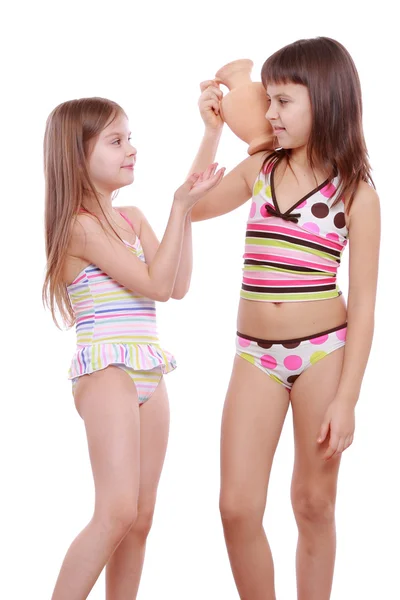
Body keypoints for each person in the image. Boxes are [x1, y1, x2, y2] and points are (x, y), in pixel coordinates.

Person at [190, 37, 380, 600]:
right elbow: (192, 206)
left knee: (313, 504)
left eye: (283, 101)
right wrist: (210, 134)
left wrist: (348, 398)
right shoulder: (260, 167)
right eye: (267, 100)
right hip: (255, 355)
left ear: (324, 101)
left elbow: (365, 304)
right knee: (236, 506)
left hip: (323, 352)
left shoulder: (356, 193)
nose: (269, 113)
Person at [42, 96, 224, 600]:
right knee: (116, 510)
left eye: (131, 138)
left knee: (140, 519)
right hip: (108, 372)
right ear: (77, 156)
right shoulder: (79, 227)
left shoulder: (133, 219)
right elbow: (156, 286)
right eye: (116, 141)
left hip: (148, 369)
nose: (132, 150)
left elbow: (178, 280)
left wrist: (209, 138)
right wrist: (180, 205)